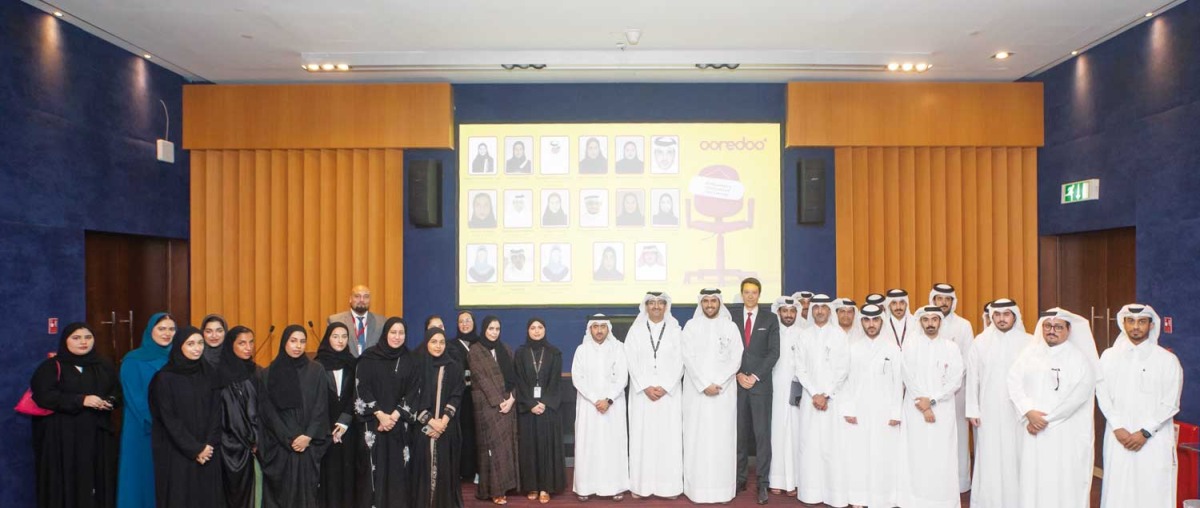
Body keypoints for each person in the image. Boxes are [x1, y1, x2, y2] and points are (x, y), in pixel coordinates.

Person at [1007, 308, 1099, 508]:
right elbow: (1014, 382)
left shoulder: (1078, 359)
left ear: (1068, 330)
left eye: (1058, 327)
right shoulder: (1029, 354)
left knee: (1061, 480)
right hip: (1032, 430)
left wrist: (1045, 420)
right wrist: (1028, 412)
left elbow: (1078, 397)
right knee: (1033, 478)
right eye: (1048, 326)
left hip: (1063, 434)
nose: (1052, 330)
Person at [1097, 304, 1182, 508]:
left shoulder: (1167, 360)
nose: (1136, 326)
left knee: (1153, 487)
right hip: (1119, 436)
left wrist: (1145, 432)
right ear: (1123, 323)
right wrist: (1118, 426)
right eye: (1131, 321)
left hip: (1154, 438)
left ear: (1151, 325)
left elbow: (1171, 403)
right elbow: (1101, 393)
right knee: (1118, 488)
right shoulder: (1109, 356)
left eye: (1142, 321)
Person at [30, 322, 120, 508]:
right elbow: (44, 396)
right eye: (76, 338)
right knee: (66, 483)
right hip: (63, 438)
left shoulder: (103, 365)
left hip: (97, 436)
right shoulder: (51, 367)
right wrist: (81, 400)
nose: (83, 342)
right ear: (65, 341)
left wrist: (109, 402)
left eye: (88, 337)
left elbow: (117, 392)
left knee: (96, 481)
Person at [964, 298, 1030, 508]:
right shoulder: (980, 342)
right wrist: (972, 409)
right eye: (997, 315)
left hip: (1019, 411)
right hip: (988, 409)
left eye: (1006, 315)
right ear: (991, 317)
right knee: (989, 455)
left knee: (1017, 453)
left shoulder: (1028, 342)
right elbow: (972, 377)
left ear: (1014, 316)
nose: (1002, 319)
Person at [148, 325, 223, 507]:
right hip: (177, 452)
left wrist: (208, 445)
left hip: (208, 451)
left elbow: (217, 411)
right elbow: (168, 419)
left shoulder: (209, 373)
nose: (197, 348)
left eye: (199, 343)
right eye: (190, 344)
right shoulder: (164, 378)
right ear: (179, 346)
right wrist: (194, 448)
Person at [897, 305, 964, 508]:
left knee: (941, 456)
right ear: (920, 322)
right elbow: (907, 376)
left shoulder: (951, 347)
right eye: (926, 320)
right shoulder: (910, 345)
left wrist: (933, 400)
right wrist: (924, 405)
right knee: (915, 454)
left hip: (942, 410)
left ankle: (941, 501)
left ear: (940, 322)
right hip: (915, 408)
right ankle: (913, 501)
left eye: (934, 319)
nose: (930, 324)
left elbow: (955, 380)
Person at [681, 288, 743, 504]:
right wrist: (703, 384)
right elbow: (687, 357)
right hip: (696, 395)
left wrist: (718, 382)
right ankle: (696, 490)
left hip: (722, 394)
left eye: (713, 301)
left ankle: (723, 490)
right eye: (705, 301)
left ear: (719, 303)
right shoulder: (691, 327)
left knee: (722, 441)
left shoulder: (731, 327)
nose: (709, 305)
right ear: (701, 303)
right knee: (696, 440)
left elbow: (736, 358)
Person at [258, 325, 329, 508]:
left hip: (308, 446)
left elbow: (321, 407)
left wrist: (308, 436)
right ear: (284, 343)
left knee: (307, 497)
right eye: (293, 341)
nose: (298, 346)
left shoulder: (316, 370)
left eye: (302, 341)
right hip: (281, 449)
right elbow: (268, 413)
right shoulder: (268, 373)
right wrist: (289, 439)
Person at [840, 304, 904, 508]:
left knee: (884, 455)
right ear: (862, 323)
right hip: (858, 411)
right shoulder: (852, 349)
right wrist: (848, 409)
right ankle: (858, 498)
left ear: (881, 322)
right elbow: (846, 382)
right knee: (858, 455)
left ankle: (884, 499)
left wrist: (896, 412)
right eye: (867, 320)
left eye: (875, 320)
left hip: (885, 412)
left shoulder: (893, 349)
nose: (871, 324)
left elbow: (898, 382)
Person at [625, 292, 685, 499]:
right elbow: (630, 361)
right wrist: (645, 386)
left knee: (668, 440)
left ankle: (669, 487)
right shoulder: (635, 331)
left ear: (666, 306)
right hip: (643, 395)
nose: (656, 306)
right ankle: (641, 486)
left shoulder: (677, 331)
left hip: (668, 395)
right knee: (643, 439)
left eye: (660, 303)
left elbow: (682, 361)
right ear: (646, 306)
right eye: (652, 303)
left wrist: (666, 386)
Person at [793, 295, 850, 507]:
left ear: (829, 311)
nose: (819, 311)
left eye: (823, 307)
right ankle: (810, 493)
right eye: (815, 307)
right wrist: (815, 393)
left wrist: (826, 394)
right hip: (810, 399)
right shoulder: (804, 336)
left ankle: (833, 494)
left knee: (832, 446)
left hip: (833, 400)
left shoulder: (839, 335)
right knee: (809, 446)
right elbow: (800, 368)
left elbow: (843, 369)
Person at [727, 278, 779, 504]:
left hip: (760, 386)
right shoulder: (731, 318)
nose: (750, 296)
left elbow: (774, 352)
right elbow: (727, 350)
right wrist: (737, 374)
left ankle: (763, 482)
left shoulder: (771, 318)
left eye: (754, 292)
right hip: (736, 385)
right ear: (741, 294)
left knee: (761, 435)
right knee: (738, 434)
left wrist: (754, 376)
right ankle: (739, 479)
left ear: (759, 294)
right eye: (746, 292)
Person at [354, 317, 415, 508]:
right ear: (385, 333)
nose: (397, 337)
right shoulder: (368, 358)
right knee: (374, 471)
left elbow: (414, 391)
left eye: (401, 333)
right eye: (393, 332)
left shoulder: (409, 359)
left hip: (399, 426)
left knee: (398, 470)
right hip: (374, 425)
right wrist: (380, 414)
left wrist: (395, 416)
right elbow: (361, 387)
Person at [117, 312, 175, 508]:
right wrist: (161, 423)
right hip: (144, 429)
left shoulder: (178, 357)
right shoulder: (133, 360)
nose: (167, 333)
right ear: (150, 331)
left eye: (171, 329)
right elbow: (136, 399)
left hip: (173, 431)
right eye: (161, 329)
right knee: (143, 479)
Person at [572, 314, 631, 502]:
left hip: (612, 406)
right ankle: (585, 487)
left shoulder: (618, 348)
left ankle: (615, 486)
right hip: (589, 407)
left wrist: (608, 399)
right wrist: (594, 399)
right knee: (588, 445)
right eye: (595, 326)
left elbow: (623, 377)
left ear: (608, 329)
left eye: (602, 326)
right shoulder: (581, 350)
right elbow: (577, 378)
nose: (599, 330)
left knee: (612, 446)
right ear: (590, 329)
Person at [407, 328, 466, 508]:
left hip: (447, 428)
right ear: (426, 343)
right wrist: (430, 421)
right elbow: (411, 396)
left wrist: (442, 422)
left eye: (442, 342)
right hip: (421, 427)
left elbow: (456, 395)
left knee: (445, 469)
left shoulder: (454, 366)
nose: (438, 346)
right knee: (422, 468)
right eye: (434, 342)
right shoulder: (415, 366)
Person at [467, 316, 519, 505]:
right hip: (488, 407)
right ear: (484, 329)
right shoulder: (475, 350)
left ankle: (507, 485)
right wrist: (500, 402)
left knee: (506, 448)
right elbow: (481, 379)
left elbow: (515, 376)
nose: (494, 332)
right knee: (492, 450)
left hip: (508, 404)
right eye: (491, 329)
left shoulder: (505, 349)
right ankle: (494, 490)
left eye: (497, 329)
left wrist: (512, 399)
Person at [928, 283, 975, 493]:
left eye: (947, 299)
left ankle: (960, 482)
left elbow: (967, 360)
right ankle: (934, 482)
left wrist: (947, 385)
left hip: (956, 392)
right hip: (929, 393)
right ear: (933, 300)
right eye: (939, 298)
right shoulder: (925, 322)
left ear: (952, 301)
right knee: (932, 436)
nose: (943, 303)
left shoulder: (963, 326)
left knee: (957, 436)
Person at [515, 318, 567, 503]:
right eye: (532, 328)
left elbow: (555, 383)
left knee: (546, 447)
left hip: (548, 409)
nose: (536, 331)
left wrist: (544, 403)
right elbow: (519, 382)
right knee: (530, 448)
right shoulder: (520, 353)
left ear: (545, 330)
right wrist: (530, 404)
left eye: (540, 327)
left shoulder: (554, 353)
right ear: (527, 330)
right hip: (528, 409)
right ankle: (532, 486)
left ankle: (546, 486)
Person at [316, 322, 366, 508]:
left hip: (349, 428)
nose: (340, 340)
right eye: (335, 336)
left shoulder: (354, 364)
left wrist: (344, 423)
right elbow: (315, 400)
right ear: (328, 338)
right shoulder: (316, 365)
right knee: (328, 476)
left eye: (344, 336)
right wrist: (330, 427)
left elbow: (356, 394)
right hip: (325, 430)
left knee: (349, 474)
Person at [214, 325, 262, 508]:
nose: (248, 347)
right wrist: (251, 439)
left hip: (253, 446)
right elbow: (231, 415)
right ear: (230, 345)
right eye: (242, 343)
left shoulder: (256, 371)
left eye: (251, 342)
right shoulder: (221, 375)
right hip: (230, 447)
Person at [766, 296, 802, 496]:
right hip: (774, 391)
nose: (788, 315)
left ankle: (795, 480)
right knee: (776, 434)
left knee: (796, 434)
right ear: (778, 312)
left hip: (797, 390)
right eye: (784, 311)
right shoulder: (772, 332)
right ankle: (777, 479)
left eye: (792, 311)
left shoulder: (803, 334)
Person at [449, 311, 480, 482]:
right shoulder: (451, 344)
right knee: (464, 433)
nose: (465, 324)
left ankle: (478, 470)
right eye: (461, 321)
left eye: (468, 320)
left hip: (479, 396)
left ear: (474, 323)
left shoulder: (481, 343)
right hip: (460, 397)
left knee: (478, 433)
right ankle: (463, 471)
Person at [328, 285, 384, 357]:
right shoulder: (335, 320)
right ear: (350, 299)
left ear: (370, 300)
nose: (361, 300)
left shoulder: (382, 322)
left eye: (366, 296)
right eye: (357, 296)